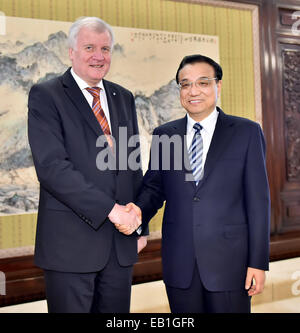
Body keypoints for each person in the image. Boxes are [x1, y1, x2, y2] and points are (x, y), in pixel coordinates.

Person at [121, 54, 270, 313]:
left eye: (202, 82)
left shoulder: (246, 132)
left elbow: (258, 201)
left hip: (230, 263)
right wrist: (138, 212)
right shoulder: (165, 134)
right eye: (185, 84)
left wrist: (258, 262)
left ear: (217, 86)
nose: (193, 91)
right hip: (180, 263)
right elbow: (155, 188)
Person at [28, 16, 147, 313]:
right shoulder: (47, 95)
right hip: (69, 248)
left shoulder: (124, 98)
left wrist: (140, 224)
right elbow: (53, 168)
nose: (99, 56)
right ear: (71, 52)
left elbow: (132, 166)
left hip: (120, 248)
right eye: (89, 47)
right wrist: (112, 210)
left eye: (105, 49)